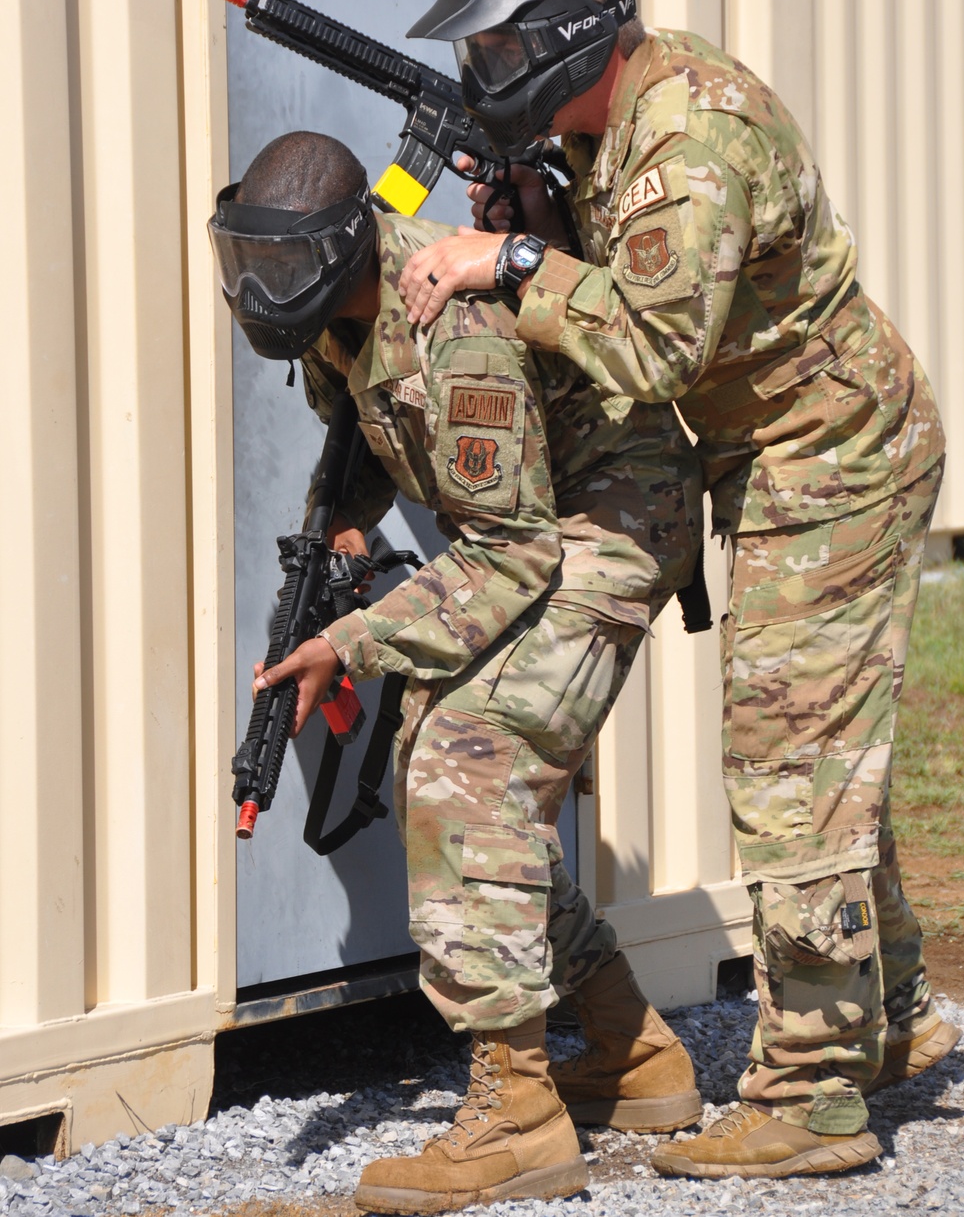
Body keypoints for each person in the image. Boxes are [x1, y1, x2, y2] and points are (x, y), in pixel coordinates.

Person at [398, 0, 959, 1180]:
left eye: (502, 49)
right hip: (776, 451)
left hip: (830, 457)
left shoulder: (688, 135)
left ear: (574, 38)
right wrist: (548, 214)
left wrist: (516, 258)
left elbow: (656, 351)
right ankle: (897, 1021)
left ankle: (811, 1101)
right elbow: (647, 279)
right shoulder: (619, 122)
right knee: (825, 756)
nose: (488, 75)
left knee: (790, 765)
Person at [209, 129, 708, 1214]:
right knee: (452, 766)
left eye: (287, 269)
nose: (265, 291)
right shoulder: (339, 315)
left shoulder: (456, 329)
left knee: (467, 768)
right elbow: (369, 443)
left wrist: (351, 642)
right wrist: (341, 537)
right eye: (251, 264)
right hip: (536, 523)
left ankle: (519, 1121)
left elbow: (514, 548)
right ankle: (632, 1054)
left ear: (347, 250)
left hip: (611, 520)